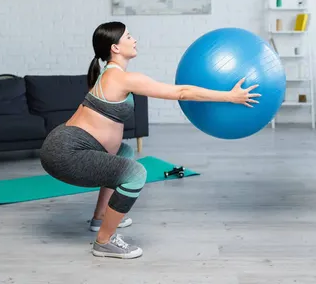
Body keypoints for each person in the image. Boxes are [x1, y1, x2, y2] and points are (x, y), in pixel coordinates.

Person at [39, 21, 261, 259]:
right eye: (128, 37)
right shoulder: (120, 78)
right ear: (115, 48)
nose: (134, 40)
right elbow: (181, 92)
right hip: (66, 152)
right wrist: (229, 96)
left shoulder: (110, 73)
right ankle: (103, 241)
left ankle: (100, 218)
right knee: (135, 174)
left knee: (123, 153)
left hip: (65, 144)